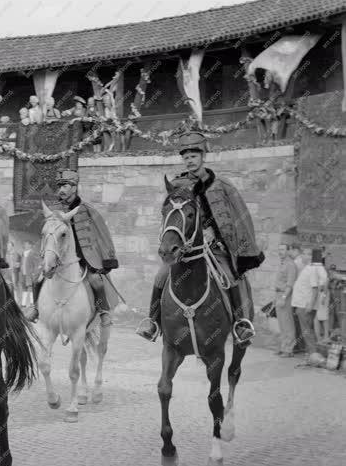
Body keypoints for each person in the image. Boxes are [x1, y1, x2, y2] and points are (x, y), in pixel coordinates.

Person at [136, 130, 264, 346]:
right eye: (186, 158)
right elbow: (171, 215)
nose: (189, 161)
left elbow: (238, 218)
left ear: (203, 156)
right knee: (160, 276)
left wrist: (219, 236)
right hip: (187, 251)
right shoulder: (178, 185)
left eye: (193, 156)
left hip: (215, 248)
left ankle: (240, 325)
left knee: (229, 278)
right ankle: (153, 323)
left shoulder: (221, 185)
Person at [25, 169, 119, 328]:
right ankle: (36, 308)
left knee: (96, 281)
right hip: (59, 256)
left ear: (74, 187)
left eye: (65, 186)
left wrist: (108, 258)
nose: (61, 189)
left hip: (85, 257)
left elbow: (102, 234)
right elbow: (47, 234)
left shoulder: (88, 210)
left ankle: (103, 311)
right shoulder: (54, 209)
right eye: (59, 186)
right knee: (38, 278)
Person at [292, 248, 328, 364]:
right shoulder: (310, 268)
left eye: (307, 254)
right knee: (307, 330)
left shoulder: (312, 269)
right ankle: (311, 355)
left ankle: (313, 356)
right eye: (303, 253)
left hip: (305, 305)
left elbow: (315, 288)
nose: (303, 256)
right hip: (302, 304)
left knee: (307, 331)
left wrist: (310, 305)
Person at [273, 244, 298, 357]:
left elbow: (290, 284)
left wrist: (283, 298)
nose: (280, 252)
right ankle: (284, 347)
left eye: (282, 249)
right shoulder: (282, 263)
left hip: (285, 296)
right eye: (279, 250)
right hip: (278, 294)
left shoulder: (290, 264)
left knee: (287, 323)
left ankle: (289, 349)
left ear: (288, 251)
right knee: (282, 323)